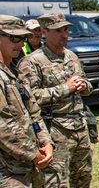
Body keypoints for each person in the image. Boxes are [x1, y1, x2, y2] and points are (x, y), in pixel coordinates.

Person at [18, 13, 93, 188]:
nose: (64, 34)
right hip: (55, 128)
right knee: (56, 181)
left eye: (66, 29)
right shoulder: (32, 62)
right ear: (44, 32)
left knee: (83, 176)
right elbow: (29, 99)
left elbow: (86, 83)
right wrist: (64, 88)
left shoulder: (72, 57)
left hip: (80, 126)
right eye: (58, 30)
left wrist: (84, 85)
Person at [0, 15, 54, 187]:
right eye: (14, 38)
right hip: (8, 171)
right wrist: (32, 153)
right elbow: (2, 127)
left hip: (29, 167)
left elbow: (34, 114)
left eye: (23, 38)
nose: (21, 44)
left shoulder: (16, 73)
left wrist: (46, 142)